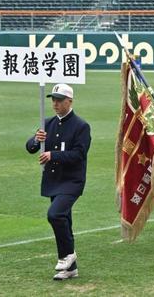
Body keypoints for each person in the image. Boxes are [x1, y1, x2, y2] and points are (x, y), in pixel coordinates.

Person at [25, 83, 91, 280]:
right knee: (65, 220)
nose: (55, 104)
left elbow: (79, 154)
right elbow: (29, 147)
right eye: (53, 100)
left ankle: (67, 256)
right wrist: (37, 140)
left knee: (55, 214)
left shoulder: (81, 126)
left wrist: (53, 155)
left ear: (69, 101)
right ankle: (71, 268)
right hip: (54, 181)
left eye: (59, 100)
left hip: (72, 181)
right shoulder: (47, 123)